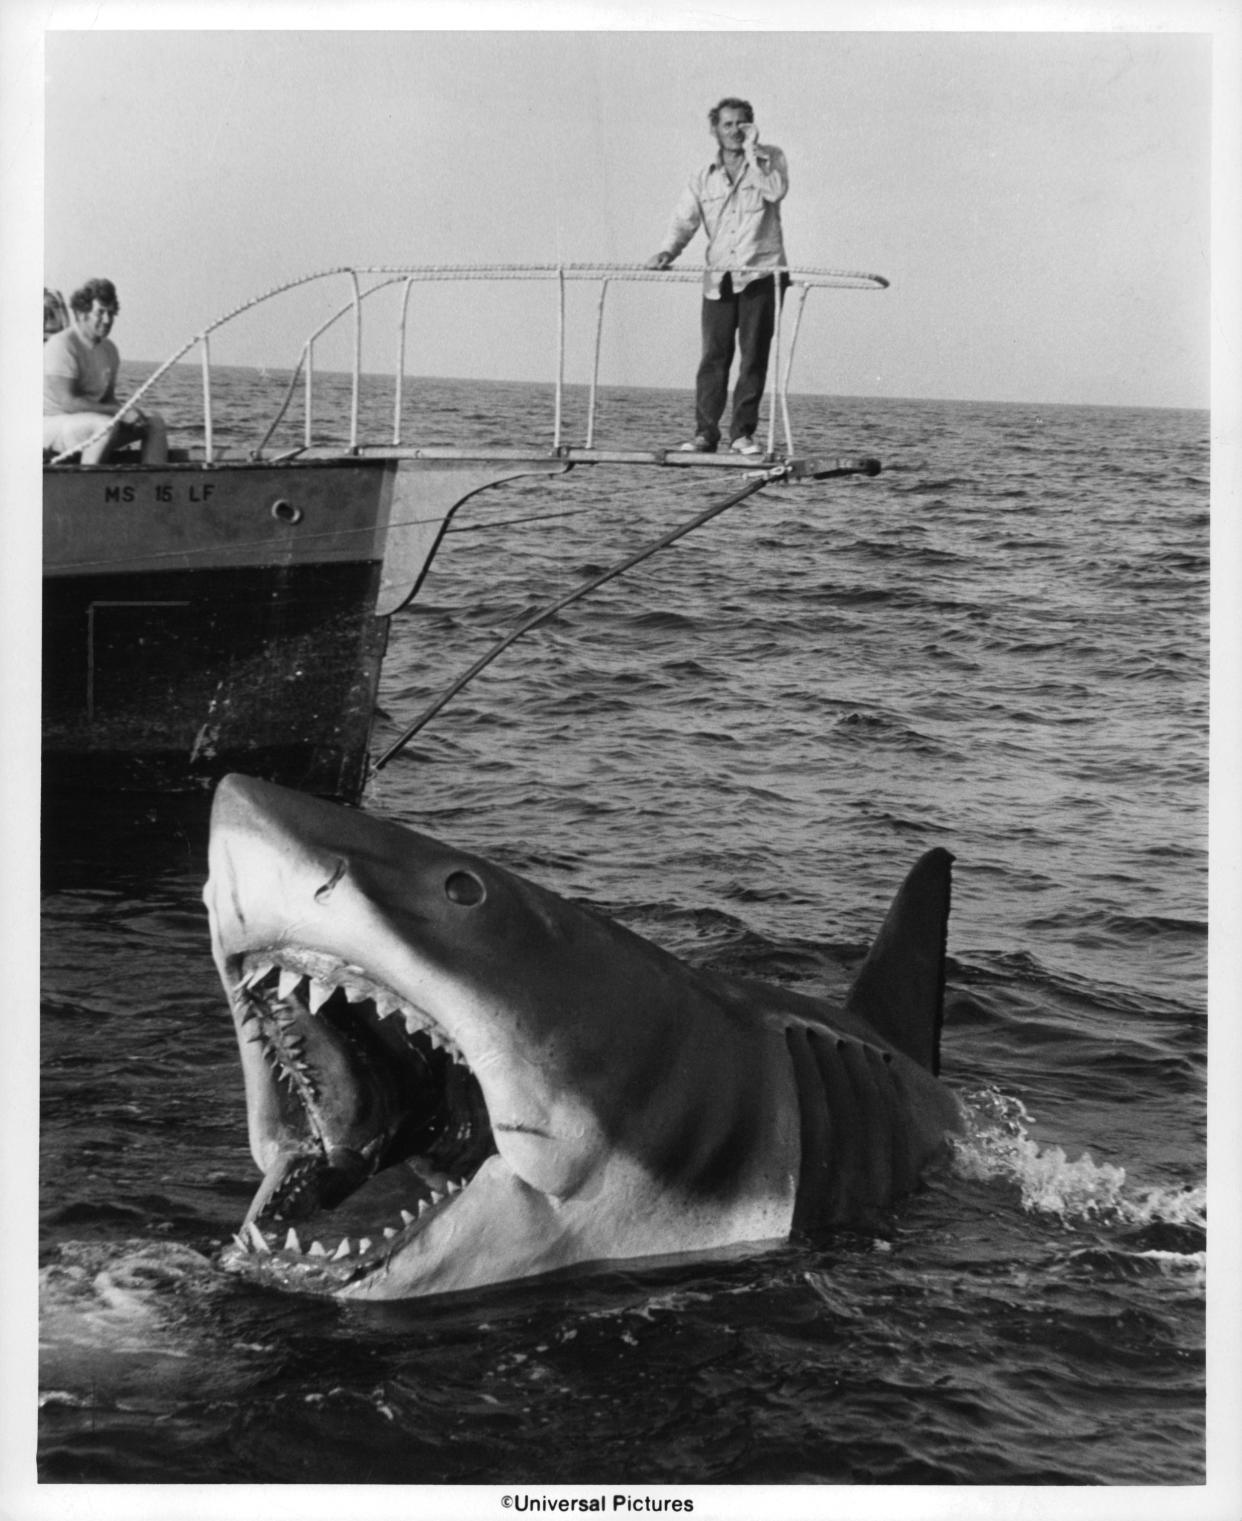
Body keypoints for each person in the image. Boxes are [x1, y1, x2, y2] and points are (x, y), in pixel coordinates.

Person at [646, 97, 790, 456]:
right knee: (714, 356)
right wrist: (668, 251)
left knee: (753, 355)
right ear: (715, 129)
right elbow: (684, 220)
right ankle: (705, 434)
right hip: (719, 276)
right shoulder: (701, 176)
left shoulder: (771, 159)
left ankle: (742, 434)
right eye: (727, 124)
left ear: (751, 126)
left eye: (742, 124)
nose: (734, 131)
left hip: (761, 272)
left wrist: (753, 151)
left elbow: (775, 191)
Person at [43, 277, 168, 465]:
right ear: (82, 313)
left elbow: (107, 399)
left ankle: (153, 487)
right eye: (100, 313)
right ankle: (88, 487)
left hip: (89, 424)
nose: (107, 320)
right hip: (52, 426)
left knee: (154, 423)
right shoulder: (62, 345)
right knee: (104, 426)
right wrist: (120, 412)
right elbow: (67, 402)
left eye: (111, 313)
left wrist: (131, 415)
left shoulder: (110, 350)